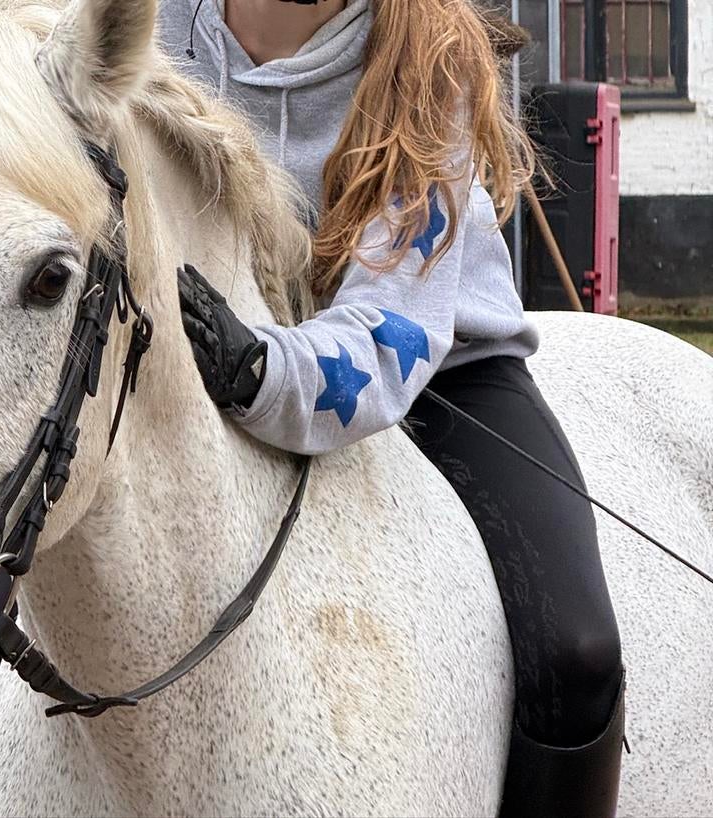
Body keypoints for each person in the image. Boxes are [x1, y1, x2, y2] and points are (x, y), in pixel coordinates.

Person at [158, 1, 625, 815]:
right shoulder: (148, 29)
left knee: (576, 652)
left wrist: (260, 369)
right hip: (206, 349)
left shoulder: (427, 52)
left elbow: (390, 326)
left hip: (438, 368)